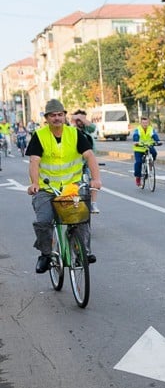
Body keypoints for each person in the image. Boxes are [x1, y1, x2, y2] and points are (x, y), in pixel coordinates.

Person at [26, 99, 102, 272]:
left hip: (71, 187)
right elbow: (34, 161)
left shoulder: (74, 134)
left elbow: (89, 155)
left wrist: (96, 179)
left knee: (81, 217)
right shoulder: (40, 136)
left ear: (64, 116)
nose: (57, 118)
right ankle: (46, 254)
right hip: (47, 188)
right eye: (53, 115)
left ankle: (83, 251)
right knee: (44, 220)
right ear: (46, 118)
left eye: (60, 114)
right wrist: (35, 184)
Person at [71, 110, 100, 213]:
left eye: (82, 119)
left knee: (93, 180)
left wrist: (82, 118)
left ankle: (93, 204)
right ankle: (75, 203)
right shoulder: (71, 130)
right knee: (75, 184)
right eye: (78, 120)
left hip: (88, 161)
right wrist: (74, 119)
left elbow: (93, 127)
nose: (81, 122)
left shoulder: (87, 129)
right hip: (76, 162)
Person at [132, 116, 161, 187]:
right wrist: (136, 141)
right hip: (139, 148)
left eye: (146, 123)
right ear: (141, 123)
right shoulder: (138, 129)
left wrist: (158, 141)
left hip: (148, 146)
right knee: (138, 162)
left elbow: (154, 135)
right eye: (143, 123)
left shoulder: (150, 129)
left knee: (154, 153)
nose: (145, 124)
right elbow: (136, 135)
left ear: (148, 123)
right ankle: (138, 177)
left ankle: (150, 164)